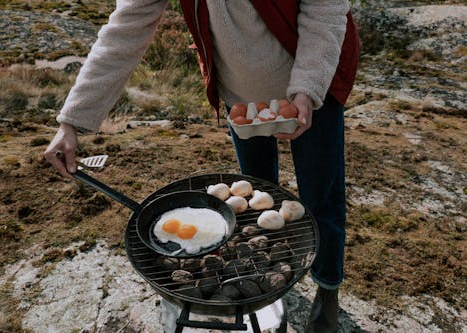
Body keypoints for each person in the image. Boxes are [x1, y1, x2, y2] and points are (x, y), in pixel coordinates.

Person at [44, 1, 359, 332]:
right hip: (240, 97)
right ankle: (268, 286)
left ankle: (327, 288)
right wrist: (71, 121)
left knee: (321, 196)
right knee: (252, 196)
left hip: (313, 83)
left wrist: (307, 91)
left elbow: (324, 9)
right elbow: (126, 27)